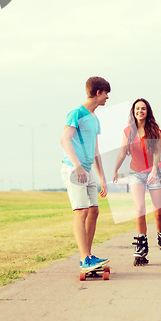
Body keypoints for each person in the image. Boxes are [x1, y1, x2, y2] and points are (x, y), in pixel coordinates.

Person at [113, 98, 161, 266]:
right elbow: (121, 153)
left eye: (143, 109)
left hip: (154, 171)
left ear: (147, 111)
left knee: (158, 212)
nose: (140, 111)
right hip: (136, 173)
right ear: (133, 111)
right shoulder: (128, 131)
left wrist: (155, 170)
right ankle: (141, 244)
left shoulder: (154, 129)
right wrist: (115, 169)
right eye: (137, 109)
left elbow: (157, 152)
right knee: (140, 209)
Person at [60, 76, 110, 273]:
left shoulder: (94, 118)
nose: (107, 98)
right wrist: (78, 166)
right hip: (74, 169)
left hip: (88, 170)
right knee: (81, 212)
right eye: (106, 93)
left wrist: (102, 178)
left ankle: (88, 255)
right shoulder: (76, 113)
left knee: (94, 211)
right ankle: (84, 259)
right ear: (98, 92)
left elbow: (95, 150)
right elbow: (64, 140)